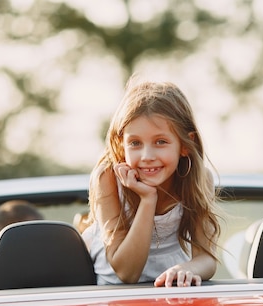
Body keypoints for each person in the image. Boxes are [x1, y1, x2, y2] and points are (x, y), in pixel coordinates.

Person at [82, 78, 221, 287]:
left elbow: (207, 259)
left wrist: (188, 268)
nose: (147, 156)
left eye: (160, 142)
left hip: (170, 289)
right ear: (122, 146)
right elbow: (127, 274)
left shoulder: (200, 180)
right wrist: (148, 199)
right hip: (113, 295)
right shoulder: (107, 178)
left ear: (185, 144)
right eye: (135, 143)